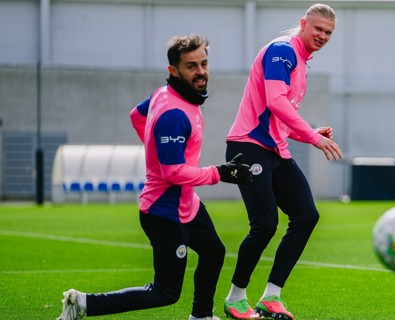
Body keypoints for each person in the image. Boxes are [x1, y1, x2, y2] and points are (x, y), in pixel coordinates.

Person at [56, 34, 252, 320]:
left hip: (187, 205)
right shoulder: (174, 112)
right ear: (173, 70)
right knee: (165, 292)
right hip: (163, 211)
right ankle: (83, 303)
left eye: (204, 63)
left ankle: (201, 316)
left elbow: (136, 115)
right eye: (191, 66)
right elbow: (171, 172)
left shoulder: (167, 95)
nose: (200, 72)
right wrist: (218, 173)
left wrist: (155, 149)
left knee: (214, 252)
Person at [222, 4, 342, 320]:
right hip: (248, 148)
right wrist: (315, 139)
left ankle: (271, 297)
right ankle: (236, 298)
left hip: (274, 151)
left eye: (328, 33)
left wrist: (309, 132)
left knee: (306, 215)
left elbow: (280, 117)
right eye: (318, 29)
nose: (323, 36)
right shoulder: (281, 51)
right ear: (303, 24)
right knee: (264, 225)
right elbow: (275, 102)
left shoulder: (301, 62)